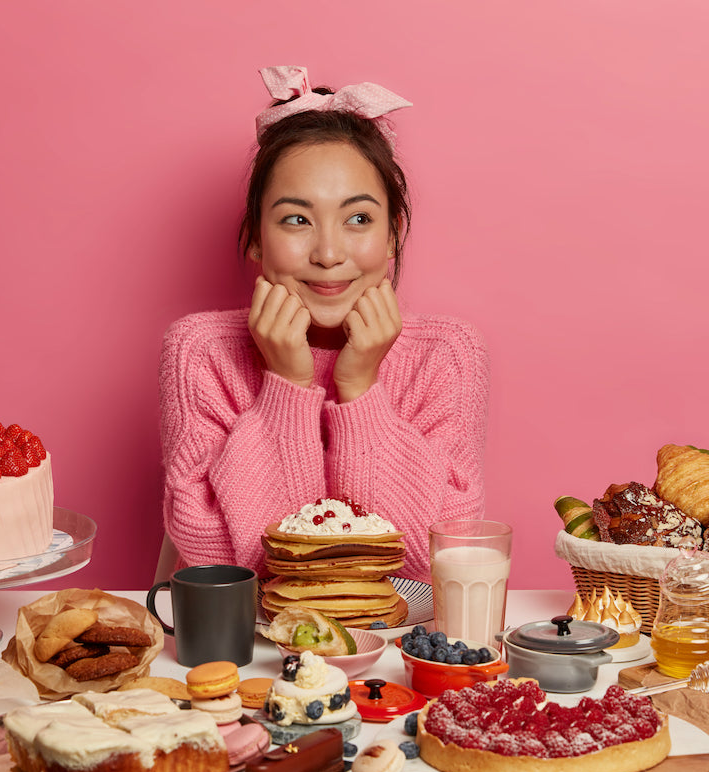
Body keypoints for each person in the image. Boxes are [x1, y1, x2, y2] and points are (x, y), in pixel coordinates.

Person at [159, 66, 489, 581]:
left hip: (398, 651)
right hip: (251, 656)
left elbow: (432, 565)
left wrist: (360, 390)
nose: (330, 254)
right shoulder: (200, 351)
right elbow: (224, 568)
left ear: (393, 234)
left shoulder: (446, 353)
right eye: (296, 219)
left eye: (358, 219)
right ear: (255, 238)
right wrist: (286, 386)